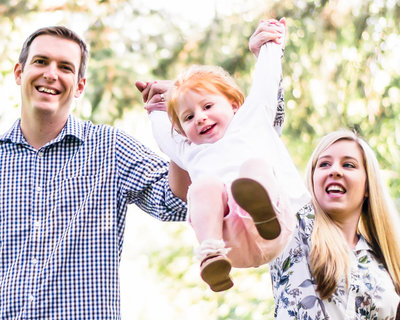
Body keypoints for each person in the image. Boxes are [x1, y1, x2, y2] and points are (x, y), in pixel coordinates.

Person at [0, 26, 190, 319]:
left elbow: (176, 202)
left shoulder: (110, 148)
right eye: (41, 61)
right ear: (18, 73)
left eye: (65, 67)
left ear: (79, 86)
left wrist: (179, 124)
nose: (51, 73)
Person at [137, 18, 310, 292]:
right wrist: (155, 108)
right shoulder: (190, 151)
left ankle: (264, 211)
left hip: (277, 227)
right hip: (232, 244)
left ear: (232, 102)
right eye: (189, 117)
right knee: (203, 186)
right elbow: (163, 139)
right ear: (181, 128)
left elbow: (266, 78)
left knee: (254, 167)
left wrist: (270, 45)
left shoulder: (252, 118)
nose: (201, 118)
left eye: (207, 106)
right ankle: (210, 254)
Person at [269, 129, 400, 319]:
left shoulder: (385, 263)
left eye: (348, 165)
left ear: (367, 186)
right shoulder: (293, 230)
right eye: (324, 164)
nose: (335, 171)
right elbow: (265, 142)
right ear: (313, 179)